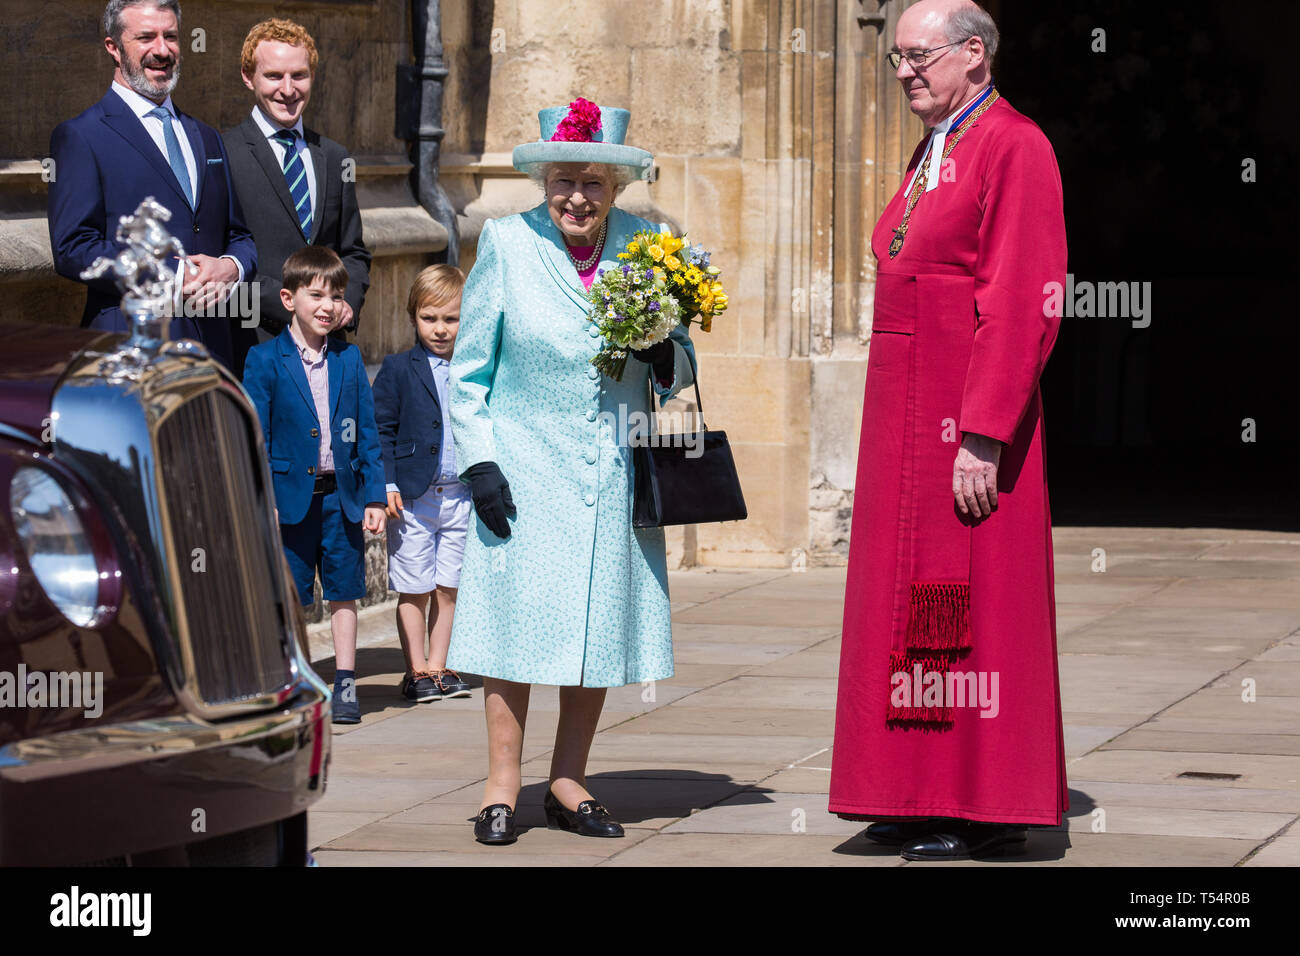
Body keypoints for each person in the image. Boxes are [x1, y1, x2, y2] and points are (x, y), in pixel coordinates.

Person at [829, 0, 1069, 860]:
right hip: (903, 408)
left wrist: (984, 431)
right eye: (895, 58)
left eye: (919, 56)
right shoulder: (940, 144)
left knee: (974, 607)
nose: (903, 72)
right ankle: (912, 788)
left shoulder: (1015, 144)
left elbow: (1023, 299)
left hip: (965, 413)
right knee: (905, 603)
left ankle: (985, 802)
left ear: (975, 53)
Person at [447, 100, 695, 845]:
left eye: (591, 182)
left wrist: (663, 356)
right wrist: (479, 462)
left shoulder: (649, 245)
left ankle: (567, 780)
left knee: (594, 624)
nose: (576, 197)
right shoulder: (506, 242)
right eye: (563, 180)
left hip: (612, 469)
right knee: (514, 629)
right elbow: (468, 374)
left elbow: (681, 365)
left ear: (615, 185)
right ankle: (499, 786)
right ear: (544, 181)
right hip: (521, 471)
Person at [48, 0, 256, 368]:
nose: (162, 50)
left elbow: (239, 235)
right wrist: (174, 274)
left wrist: (231, 268)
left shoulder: (206, 137)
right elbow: (73, 248)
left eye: (171, 36)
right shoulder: (82, 136)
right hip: (131, 351)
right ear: (113, 47)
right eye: (146, 37)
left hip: (215, 354)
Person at [242, 246, 387, 725]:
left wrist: (372, 495)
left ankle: (345, 681)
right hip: (288, 503)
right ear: (289, 298)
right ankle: (292, 678)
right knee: (290, 595)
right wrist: (261, 499)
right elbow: (254, 436)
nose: (327, 306)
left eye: (336, 296)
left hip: (341, 498)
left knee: (345, 591)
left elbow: (366, 432)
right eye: (316, 294)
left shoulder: (348, 360)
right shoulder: (264, 360)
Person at [223, 17, 370, 378]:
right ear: (248, 76)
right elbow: (219, 256)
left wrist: (344, 304)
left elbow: (353, 250)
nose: (288, 89)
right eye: (274, 76)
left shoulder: (335, 157)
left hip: (328, 353)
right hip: (252, 349)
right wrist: (296, 306)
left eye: (299, 75)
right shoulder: (222, 152)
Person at [372, 265, 473, 704]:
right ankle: (415, 670)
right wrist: (387, 483)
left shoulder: (475, 367)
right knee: (415, 586)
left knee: (448, 587)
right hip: (412, 498)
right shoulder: (397, 369)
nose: (440, 329)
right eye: (430, 318)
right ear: (413, 316)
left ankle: (439, 665)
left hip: (460, 494)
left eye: (450, 319)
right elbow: (381, 430)